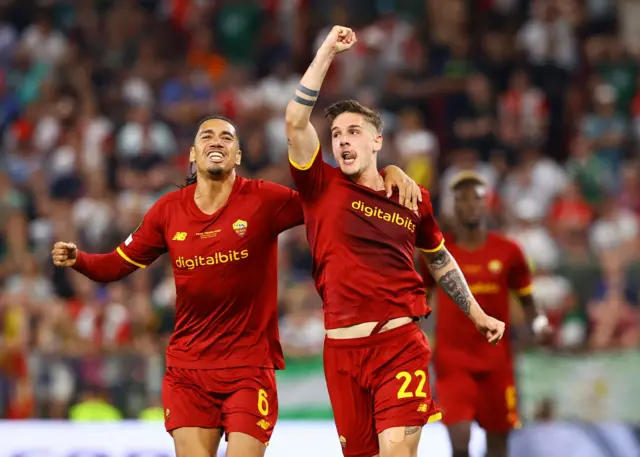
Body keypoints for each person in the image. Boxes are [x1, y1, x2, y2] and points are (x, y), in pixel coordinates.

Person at [51, 115, 421, 457]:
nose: (217, 141)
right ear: (193, 155)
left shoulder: (263, 199)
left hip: (249, 370)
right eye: (207, 136)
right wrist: (80, 259)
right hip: (188, 370)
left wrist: (387, 170)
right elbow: (117, 263)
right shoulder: (168, 210)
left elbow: (324, 193)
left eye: (226, 137)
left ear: (238, 155)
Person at [285, 26, 506, 457]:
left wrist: (477, 313)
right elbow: (295, 120)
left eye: (353, 131)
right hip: (341, 350)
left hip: (399, 344)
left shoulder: (411, 196)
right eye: (336, 135)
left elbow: (438, 257)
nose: (343, 140)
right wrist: (328, 50)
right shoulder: (319, 184)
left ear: (377, 141)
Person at [421, 171, 553, 457]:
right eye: (461, 198)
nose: (470, 204)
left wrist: (540, 324)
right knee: (459, 441)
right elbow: (418, 299)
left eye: (476, 198)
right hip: (453, 363)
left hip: (497, 362)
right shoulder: (437, 254)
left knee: (498, 445)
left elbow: (527, 299)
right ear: (452, 206)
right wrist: (418, 337)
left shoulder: (508, 251)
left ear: (487, 204)